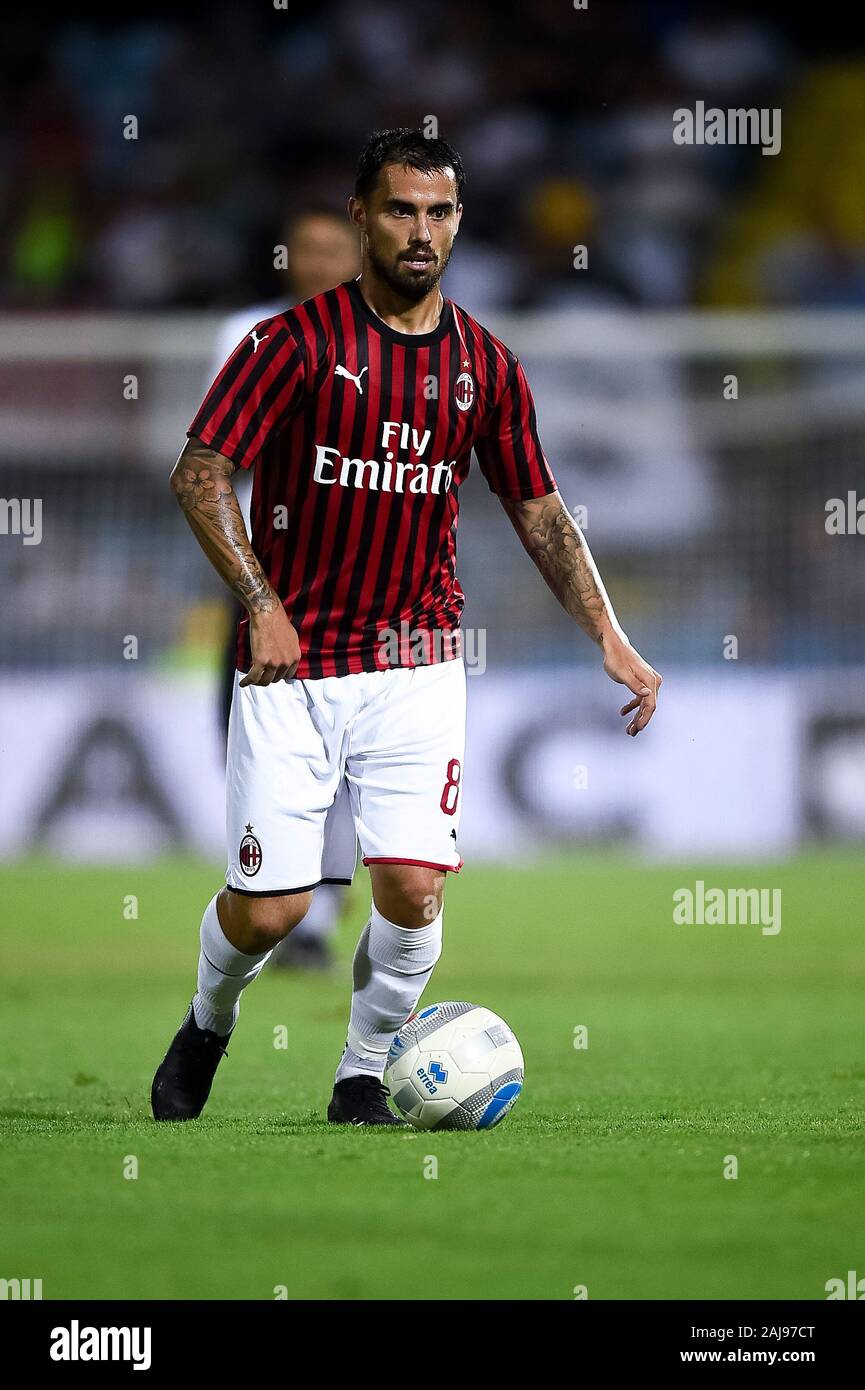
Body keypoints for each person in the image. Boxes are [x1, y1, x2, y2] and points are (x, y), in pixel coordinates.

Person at [151, 128, 662, 1128]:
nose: (420, 231)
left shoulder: (486, 364)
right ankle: (209, 1016)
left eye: (438, 212)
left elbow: (540, 510)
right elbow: (200, 476)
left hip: (417, 660)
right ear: (360, 217)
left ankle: (358, 1075)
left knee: (413, 886)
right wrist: (261, 605)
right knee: (271, 911)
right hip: (291, 669)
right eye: (399, 209)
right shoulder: (289, 346)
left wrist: (608, 633)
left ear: (458, 221)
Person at [210, 210, 359, 970]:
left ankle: (314, 917)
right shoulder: (253, 333)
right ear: (287, 259)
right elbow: (216, 456)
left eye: (335, 249)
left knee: (345, 758)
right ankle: (267, 894)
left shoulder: (386, 338)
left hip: (356, 587)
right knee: (244, 745)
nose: (320, 262)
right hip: (264, 578)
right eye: (308, 249)